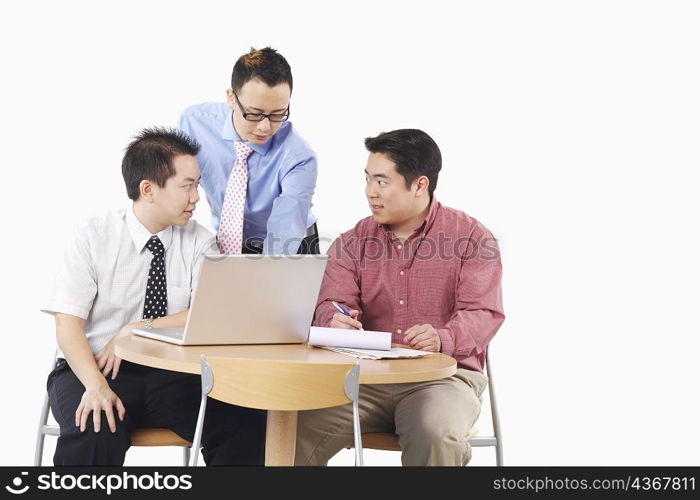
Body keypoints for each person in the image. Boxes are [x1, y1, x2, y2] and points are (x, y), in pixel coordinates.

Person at [42, 128, 265, 465]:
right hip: (93, 369)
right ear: (148, 189)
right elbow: (68, 326)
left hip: (173, 374)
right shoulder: (92, 236)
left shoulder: (200, 242)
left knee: (246, 420)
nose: (196, 197)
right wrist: (95, 385)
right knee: (95, 423)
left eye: (197, 184)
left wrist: (137, 328)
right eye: (186, 186)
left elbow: (209, 314)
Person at [294, 129, 505, 466]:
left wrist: (442, 337)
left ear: (420, 184)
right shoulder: (352, 242)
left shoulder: (471, 238)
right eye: (367, 180)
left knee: (435, 432)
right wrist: (333, 319)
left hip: (443, 380)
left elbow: (484, 314)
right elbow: (330, 303)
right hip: (363, 380)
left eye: (382, 182)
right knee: (287, 426)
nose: (370, 193)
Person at [178, 47, 319, 255]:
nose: (264, 127)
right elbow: (173, 184)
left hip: (291, 245)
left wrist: (266, 276)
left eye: (278, 114)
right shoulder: (194, 124)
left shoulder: (300, 157)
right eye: (254, 114)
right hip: (227, 241)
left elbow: (284, 231)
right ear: (231, 99)